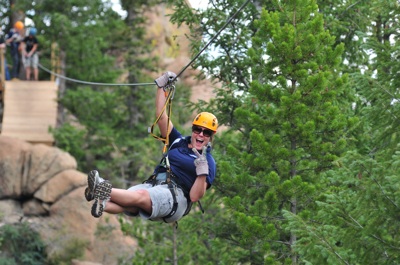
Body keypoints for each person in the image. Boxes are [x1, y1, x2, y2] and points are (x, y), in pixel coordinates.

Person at [84, 71, 218, 223]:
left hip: (176, 197)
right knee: (127, 201)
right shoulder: (178, 141)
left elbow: (194, 196)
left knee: (139, 196)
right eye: (197, 129)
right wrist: (161, 87)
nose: (201, 134)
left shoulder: (208, 162)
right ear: (193, 130)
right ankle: (101, 202)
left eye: (206, 132)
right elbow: (161, 117)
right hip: (154, 184)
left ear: (211, 136)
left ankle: (99, 187)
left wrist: (202, 172)